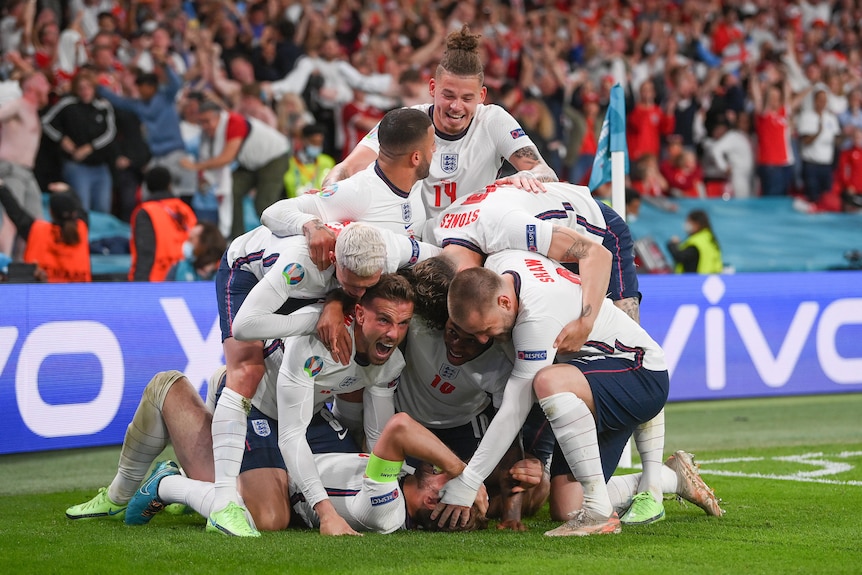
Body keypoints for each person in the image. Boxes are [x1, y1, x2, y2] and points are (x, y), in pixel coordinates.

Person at [65, 366, 488, 535]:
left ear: (435, 496)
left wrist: (464, 474)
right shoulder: (403, 481)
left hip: (284, 446)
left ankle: (167, 479)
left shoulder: (388, 510)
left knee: (267, 518)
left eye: (445, 483)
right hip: (313, 440)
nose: (443, 474)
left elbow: (397, 429)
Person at [433, 252, 669, 536]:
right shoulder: (501, 264)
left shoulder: (537, 317)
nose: (484, 340)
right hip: (595, 376)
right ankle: (671, 477)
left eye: (485, 330)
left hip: (641, 374)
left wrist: (469, 481)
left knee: (546, 381)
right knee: (566, 506)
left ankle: (597, 513)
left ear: (504, 302)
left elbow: (514, 410)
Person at [207, 222, 387, 536]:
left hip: (314, 294)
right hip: (246, 270)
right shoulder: (301, 263)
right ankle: (222, 500)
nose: (360, 295)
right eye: (354, 286)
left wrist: (333, 302)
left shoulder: (384, 251)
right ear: (335, 260)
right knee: (248, 370)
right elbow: (245, 327)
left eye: (368, 286)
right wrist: (312, 318)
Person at [232, 273, 415, 536]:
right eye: (384, 320)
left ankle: (276, 481)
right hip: (259, 410)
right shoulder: (316, 340)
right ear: (361, 315)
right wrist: (326, 512)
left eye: (403, 323)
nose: (393, 334)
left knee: (356, 476)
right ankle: (174, 484)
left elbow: (377, 437)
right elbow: (291, 436)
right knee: (270, 518)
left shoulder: (392, 362)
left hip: (311, 416)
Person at [321, 26, 558, 222]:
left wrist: (528, 177)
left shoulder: (494, 120)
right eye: (448, 95)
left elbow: (545, 172)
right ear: (432, 88)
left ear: (482, 96)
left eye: (467, 98)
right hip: (413, 234)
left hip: (473, 237)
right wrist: (328, 195)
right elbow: (347, 168)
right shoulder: (408, 120)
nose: (456, 106)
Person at [260, 107, 434, 269]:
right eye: (432, 144)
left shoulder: (417, 183)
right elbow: (274, 212)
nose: (435, 149)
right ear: (416, 158)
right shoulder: (358, 192)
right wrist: (312, 226)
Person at [180, 101, 290, 240]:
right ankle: (237, 238)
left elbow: (226, 158)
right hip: (250, 162)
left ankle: (281, 239)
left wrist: (196, 167)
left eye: (207, 121)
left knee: (264, 205)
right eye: (201, 122)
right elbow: (207, 155)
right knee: (232, 190)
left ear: (218, 117)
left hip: (274, 158)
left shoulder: (234, 123)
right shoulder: (207, 134)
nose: (204, 126)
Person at [96, 63, 195, 201]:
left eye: (142, 88)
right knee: (147, 196)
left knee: (181, 194)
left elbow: (176, 83)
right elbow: (118, 101)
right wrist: (97, 87)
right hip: (157, 157)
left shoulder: (166, 97)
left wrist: (165, 65)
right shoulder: (138, 105)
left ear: (152, 87)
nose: (140, 91)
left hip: (175, 154)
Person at [41, 70, 117, 214]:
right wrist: (61, 139)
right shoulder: (68, 103)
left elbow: (110, 132)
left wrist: (91, 147)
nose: (85, 91)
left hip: (100, 166)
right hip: (77, 165)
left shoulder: (103, 106)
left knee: (103, 209)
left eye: (88, 87)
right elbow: (46, 121)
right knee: (82, 208)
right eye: (81, 88)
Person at [0, 179, 90, 283]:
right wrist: (69, 191)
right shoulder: (82, 229)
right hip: (79, 296)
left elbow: (15, 212)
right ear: (74, 213)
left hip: (40, 296)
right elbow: (81, 210)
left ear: (51, 212)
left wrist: (2, 188)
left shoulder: (36, 231)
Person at [0, 71, 50, 256]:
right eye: (43, 81)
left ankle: (26, 265)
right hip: (11, 168)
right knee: (11, 219)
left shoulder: (32, 110)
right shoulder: (18, 106)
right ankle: (3, 265)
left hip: (27, 173)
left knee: (37, 223)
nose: (48, 85)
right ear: (31, 86)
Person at [128, 166, 197, 282]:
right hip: (186, 277)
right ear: (169, 185)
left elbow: (145, 251)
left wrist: (139, 283)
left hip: (157, 279)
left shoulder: (146, 212)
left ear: (147, 187)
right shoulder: (185, 209)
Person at [796, 87, 842, 209]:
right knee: (812, 198)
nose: (822, 102)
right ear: (814, 101)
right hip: (811, 165)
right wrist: (818, 133)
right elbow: (804, 140)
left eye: (824, 100)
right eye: (820, 99)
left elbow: (836, 138)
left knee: (826, 199)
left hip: (826, 165)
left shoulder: (831, 118)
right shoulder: (807, 116)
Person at [283, 123, 335, 199]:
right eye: (313, 142)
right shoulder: (289, 164)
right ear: (303, 140)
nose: (317, 146)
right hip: (296, 205)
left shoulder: (328, 162)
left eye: (319, 143)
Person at [666, 209, 723, 274]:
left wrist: (672, 244)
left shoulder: (697, 242)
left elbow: (680, 257)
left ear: (697, 224)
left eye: (688, 222)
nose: (686, 225)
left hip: (696, 281)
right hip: (710, 279)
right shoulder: (710, 239)